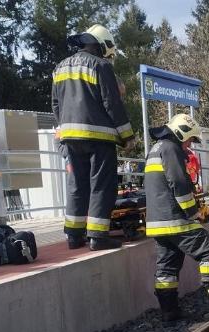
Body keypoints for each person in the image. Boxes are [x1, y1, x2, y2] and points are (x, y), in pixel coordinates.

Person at [145, 114, 209, 321]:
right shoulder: (171, 148)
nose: (189, 145)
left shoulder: (156, 148)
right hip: (175, 219)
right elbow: (178, 183)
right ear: (181, 132)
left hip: (157, 223)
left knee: (167, 268)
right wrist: (193, 212)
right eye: (189, 140)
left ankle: (169, 313)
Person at [53, 24, 135, 250]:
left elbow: (56, 104)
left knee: (77, 185)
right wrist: (128, 136)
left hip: (69, 136)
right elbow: (112, 104)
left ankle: (73, 235)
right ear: (102, 45)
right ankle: (98, 237)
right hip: (98, 137)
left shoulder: (59, 67)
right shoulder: (101, 66)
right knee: (101, 185)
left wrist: (65, 130)